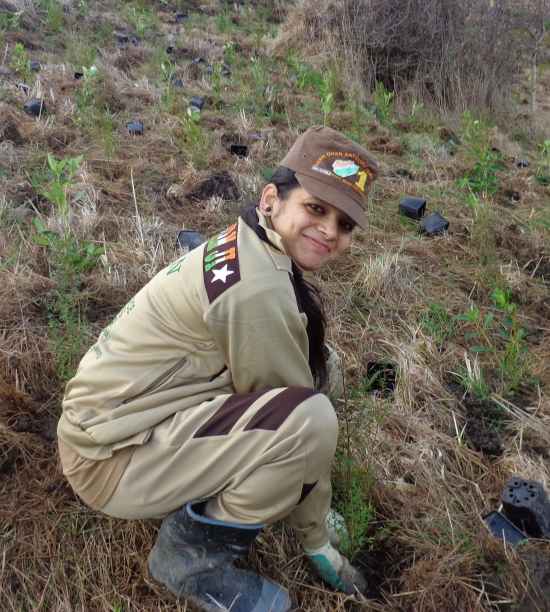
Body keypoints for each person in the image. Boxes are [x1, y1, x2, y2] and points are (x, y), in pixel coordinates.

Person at [57, 126, 379, 612]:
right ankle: (189, 560)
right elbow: (302, 421)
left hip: (115, 421)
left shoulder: (252, 239)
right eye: (316, 208)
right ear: (271, 199)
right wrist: (316, 535)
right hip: (110, 460)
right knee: (312, 421)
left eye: (345, 224)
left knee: (322, 367)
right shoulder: (257, 288)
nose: (331, 231)